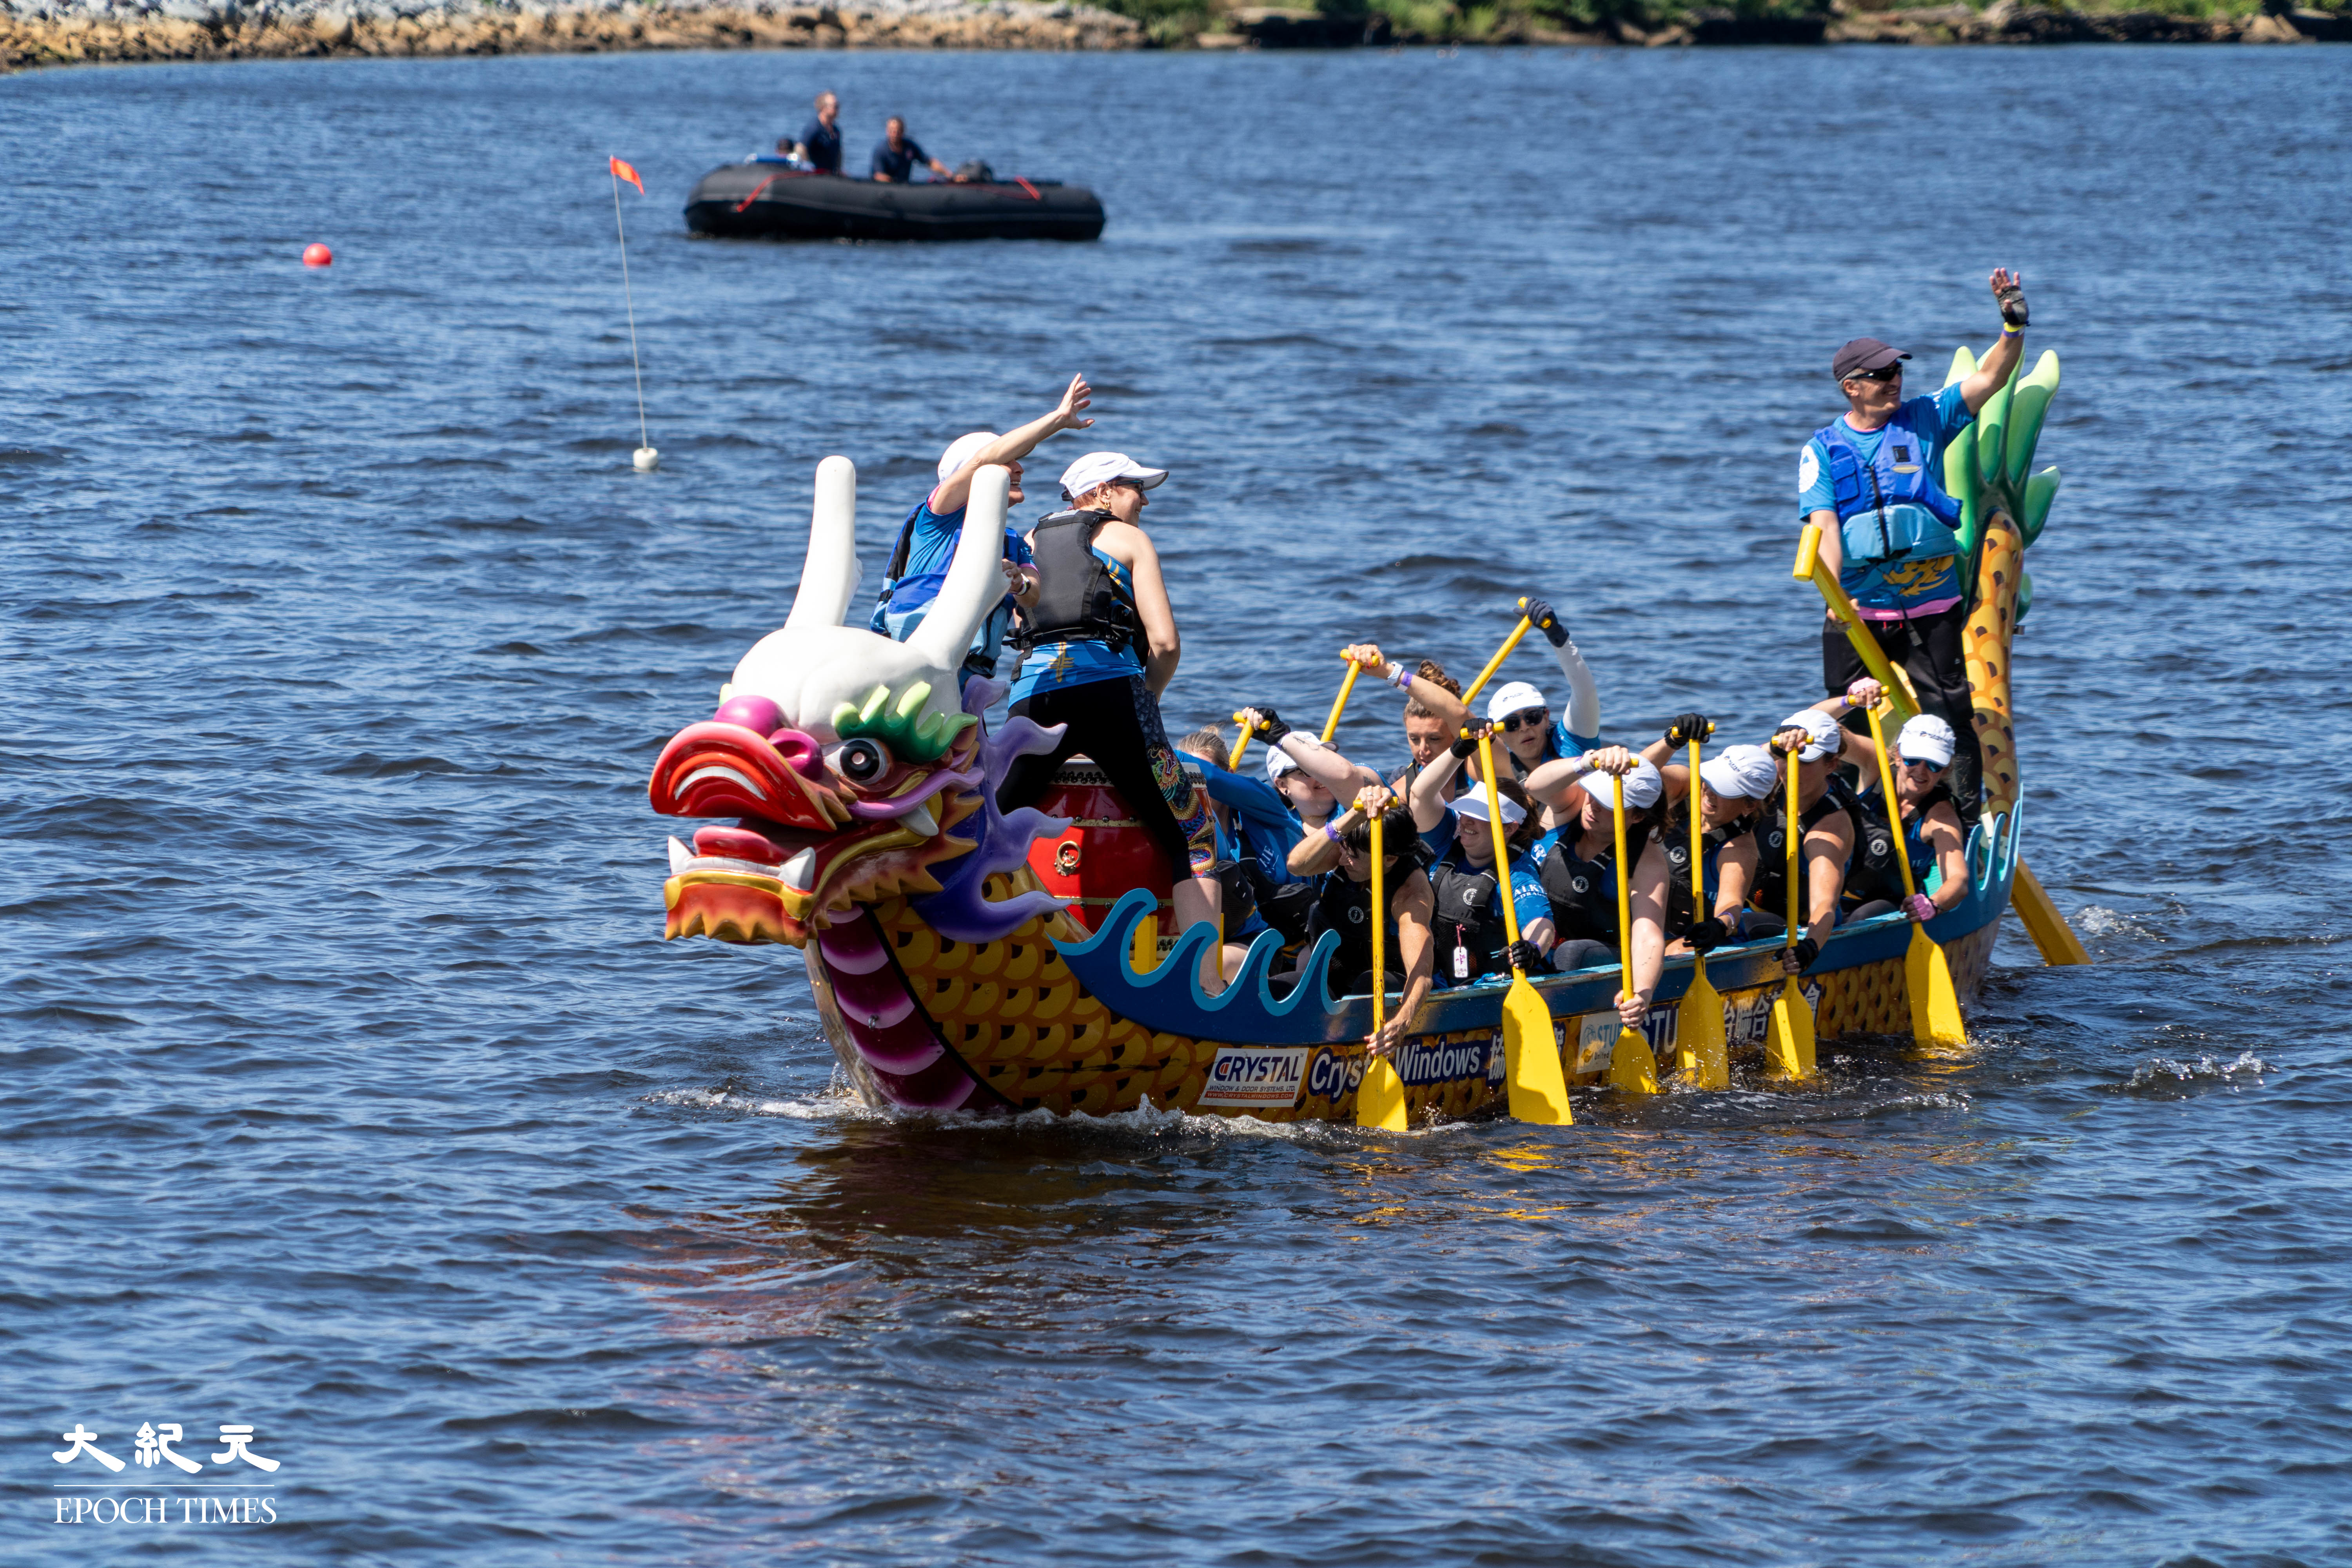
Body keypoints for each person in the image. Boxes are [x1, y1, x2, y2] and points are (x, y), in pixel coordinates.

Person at [1802, 268, 2032, 820]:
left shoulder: (1926, 418)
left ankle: (1965, 817)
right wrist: (1836, 602)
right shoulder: (1823, 450)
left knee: (1952, 711)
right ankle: (1855, 820)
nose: (1893, 379)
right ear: (1850, 387)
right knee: (1849, 720)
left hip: (1931, 603)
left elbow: (1990, 379)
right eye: (1879, 374)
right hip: (1860, 608)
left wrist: (2012, 323)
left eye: (1896, 370)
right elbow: (1825, 529)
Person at [997, 451, 1222, 980]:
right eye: (1133, 487)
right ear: (1100, 492)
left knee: (995, 826)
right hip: (1115, 697)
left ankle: (987, 957)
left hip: (1031, 700)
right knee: (1194, 834)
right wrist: (1148, 699)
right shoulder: (1130, 540)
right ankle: (1210, 984)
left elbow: (1019, 627)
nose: (1143, 498)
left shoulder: (1025, 544)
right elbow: (1165, 643)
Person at [869, 374, 1093, 687]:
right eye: (1009, 461)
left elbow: (1033, 594)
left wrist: (1018, 583)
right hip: (913, 665)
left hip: (970, 675)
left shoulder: (1013, 541)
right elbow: (982, 460)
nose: (1020, 469)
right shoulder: (939, 517)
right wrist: (1056, 420)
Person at [1711, 706, 1863, 978]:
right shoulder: (1771, 777)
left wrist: (1811, 947)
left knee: (1720, 928)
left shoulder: (1829, 830)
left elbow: (1824, 905)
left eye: (1803, 761)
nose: (1789, 769)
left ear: (1831, 764)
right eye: (1783, 757)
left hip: (1800, 924)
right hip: (1751, 903)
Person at [1404, 728, 1556, 984]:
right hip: (1443, 979)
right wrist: (1459, 749)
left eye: (1480, 816)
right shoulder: (1446, 841)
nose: (1467, 822)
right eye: (1466, 812)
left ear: (1509, 828)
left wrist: (1532, 948)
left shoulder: (1517, 875)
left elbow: (1542, 924)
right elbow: (1421, 794)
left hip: (1493, 983)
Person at [1291, 788, 1434, 1056]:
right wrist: (1353, 816)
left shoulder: (1410, 896)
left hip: (1381, 984)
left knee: (1366, 984)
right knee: (1283, 987)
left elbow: (1422, 975)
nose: (1343, 859)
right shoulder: (1350, 850)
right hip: (1335, 973)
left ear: (1389, 859)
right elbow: (1297, 865)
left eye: (1353, 857)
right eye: (1344, 849)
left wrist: (1403, 1022)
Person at [1519, 748, 1671, 984]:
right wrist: (1587, 762)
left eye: (1608, 803)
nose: (1593, 806)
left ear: (1638, 816)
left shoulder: (1645, 860)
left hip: (1597, 953)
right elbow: (1534, 786)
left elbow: (1648, 937)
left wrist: (1643, 991)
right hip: (1538, 938)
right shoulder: (1571, 808)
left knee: (1571, 954)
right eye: (1594, 794)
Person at [1832, 684, 1974, 925]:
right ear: (1897, 755)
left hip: (1890, 901)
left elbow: (1958, 881)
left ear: (1946, 769)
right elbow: (1819, 727)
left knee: (1860, 917)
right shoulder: (1876, 766)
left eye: (1934, 765)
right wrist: (1849, 701)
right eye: (1913, 759)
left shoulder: (1940, 816)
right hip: (1835, 883)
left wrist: (1934, 905)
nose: (1921, 771)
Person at [1478, 595, 1602, 832]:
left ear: (1546, 716)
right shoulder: (1500, 768)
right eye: (1512, 724)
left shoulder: (1573, 740)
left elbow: (1585, 691)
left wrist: (1558, 637)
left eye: (1532, 717)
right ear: (1500, 734)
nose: (1525, 727)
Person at [1661, 742, 1783, 952]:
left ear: (1750, 805)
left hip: (1704, 934)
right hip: (1657, 921)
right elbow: (1636, 776)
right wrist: (1670, 741)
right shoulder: (1685, 790)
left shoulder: (1739, 849)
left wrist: (1720, 925)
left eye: (1724, 789)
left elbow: (1731, 903)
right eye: (1712, 780)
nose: (1709, 791)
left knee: (1676, 951)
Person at [871, 118, 952, 184]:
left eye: (898, 131)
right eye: (892, 131)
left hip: (905, 186)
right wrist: (896, 182)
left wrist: (949, 175)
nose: (895, 134)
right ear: (887, 131)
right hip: (885, 188)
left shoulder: (910, 147)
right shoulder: (881, 150)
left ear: (903, 131)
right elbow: (879, 176)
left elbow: (930, 162)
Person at [784, 92, 842, 173]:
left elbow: (839, 153)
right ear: (823, 108)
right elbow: (800, 148)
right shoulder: (814, 128)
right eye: (834, 106)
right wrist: (808, 167)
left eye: (838, 106)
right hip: (816, 176)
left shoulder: (836, 131)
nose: (837, 109)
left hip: (830, 175)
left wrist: (839, 170)